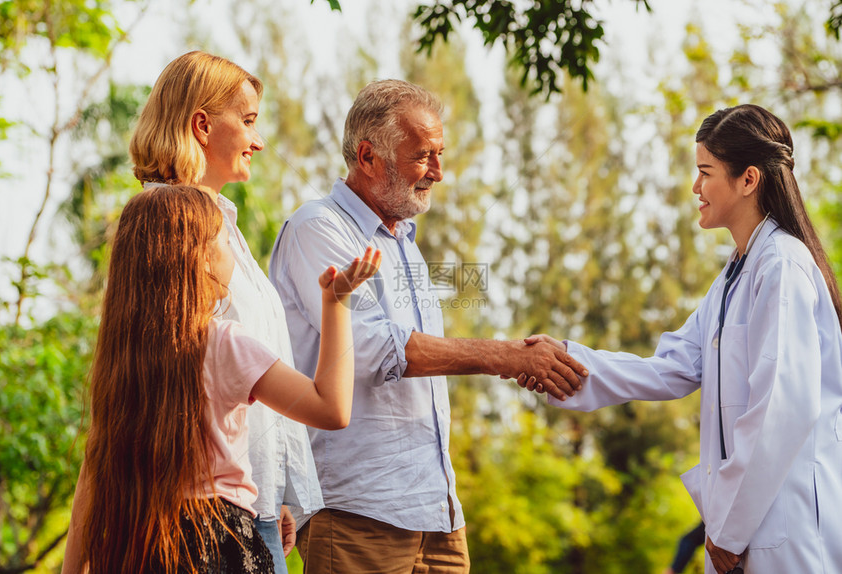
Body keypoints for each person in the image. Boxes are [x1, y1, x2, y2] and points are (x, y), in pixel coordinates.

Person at [268, 79, 588, 572]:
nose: (439, 171)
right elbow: (373, 348)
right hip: (358, 514)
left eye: (440, 153)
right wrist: (505, 357)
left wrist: (523, 359)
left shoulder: (405, 245)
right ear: (369, 156)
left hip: (437, 517)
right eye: (423, 156)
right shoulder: (317, 227)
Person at [517, 104, 842, 573]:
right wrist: (565, 363)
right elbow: (672, 366)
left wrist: (730, 528)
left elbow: (782, 406)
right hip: (746, 530)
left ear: (748, 180)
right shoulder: (735, 275)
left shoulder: (782, 266)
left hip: (780, 530)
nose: (695, 187)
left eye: (705, 172)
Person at [60, 186, 381, 573]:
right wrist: (335, 304)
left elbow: (92, 472)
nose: (233, 252)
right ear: (200, 258)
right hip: (218, 545)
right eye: (226, 240)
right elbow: (331, 408)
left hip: (142, 546)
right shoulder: (222, 341)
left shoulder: (122, 358)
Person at [127, 51, 322, 570]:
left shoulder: (226, 227)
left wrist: (277, 489)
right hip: (198, 521)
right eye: (250, 121)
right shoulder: (169, 234)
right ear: (202, 125)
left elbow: (252, 372)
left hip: (248, 506)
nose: (258, 141)